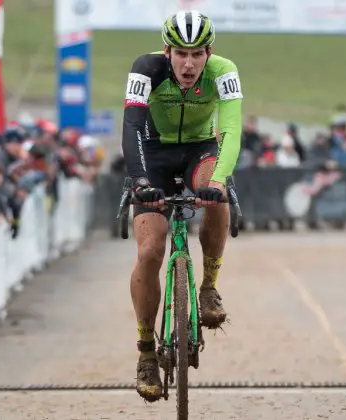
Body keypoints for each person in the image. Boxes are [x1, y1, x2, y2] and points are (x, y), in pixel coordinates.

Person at [120, 10, 242, 402]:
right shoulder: (145, 68)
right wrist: (140, 180)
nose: (189, 64)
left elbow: (231, 128)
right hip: (152, 155)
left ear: (209, 53)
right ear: (167, 51)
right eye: (181, 54)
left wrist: (220, 180)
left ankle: (208, 287)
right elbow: (132, 127)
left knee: (215, 190)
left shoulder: (224, 71)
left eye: (197, 55)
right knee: (150, 250)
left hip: (199, 152)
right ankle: (145, 354)